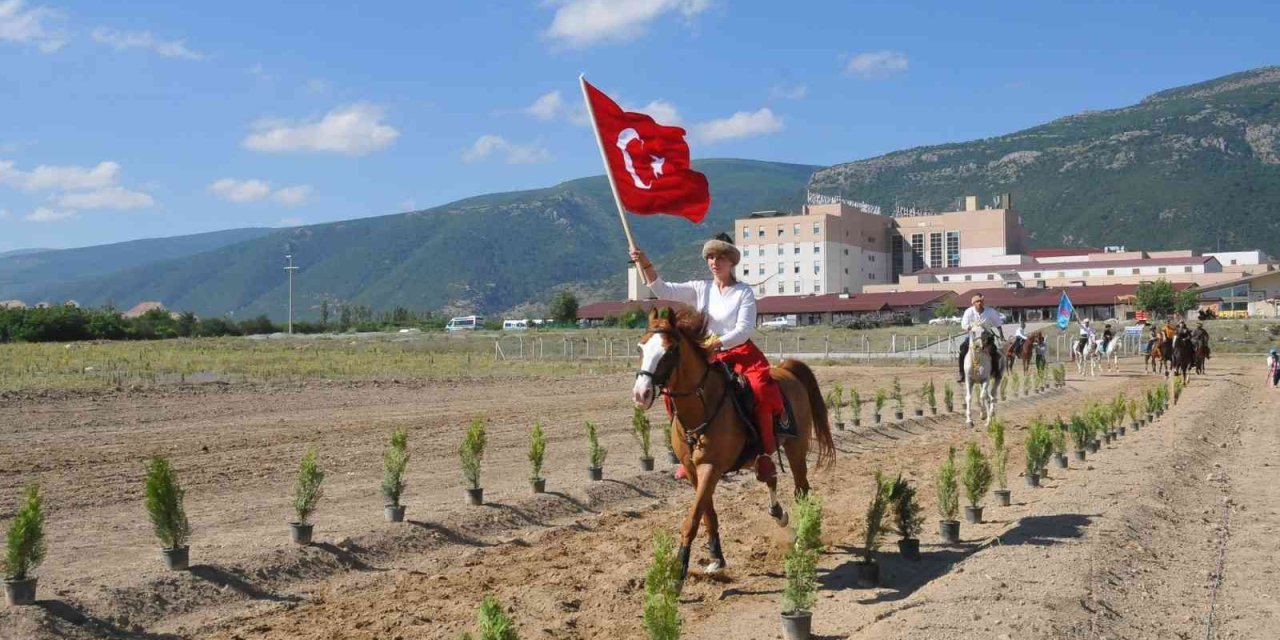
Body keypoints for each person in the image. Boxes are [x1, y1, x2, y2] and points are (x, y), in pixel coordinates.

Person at [630, 233, 783, 483]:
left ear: (731, 261)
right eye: (710, 257)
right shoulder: (701, 289)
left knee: (760, 389)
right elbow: (662, 289)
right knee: (672, 391)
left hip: (739, 353)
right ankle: (685, 453)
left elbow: (744, 330)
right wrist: (644, 263)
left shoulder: (743, 293)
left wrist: (717, 342)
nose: (714, 262)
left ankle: (764, 455)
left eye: (720, 257)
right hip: (706, 354)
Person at [957, 294, 1004, 383]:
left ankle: (995, 371)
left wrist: (1001, 335)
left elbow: (998, 323)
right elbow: (964, 325)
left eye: (981, 301)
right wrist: (973, 329)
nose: (979, 303)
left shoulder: (990, 311)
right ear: (973, 303)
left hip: (986, 337)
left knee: (993, 351)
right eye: (977, 302)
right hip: (973, 336)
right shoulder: (969, 312)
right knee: (963, 350)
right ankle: (962, 374)